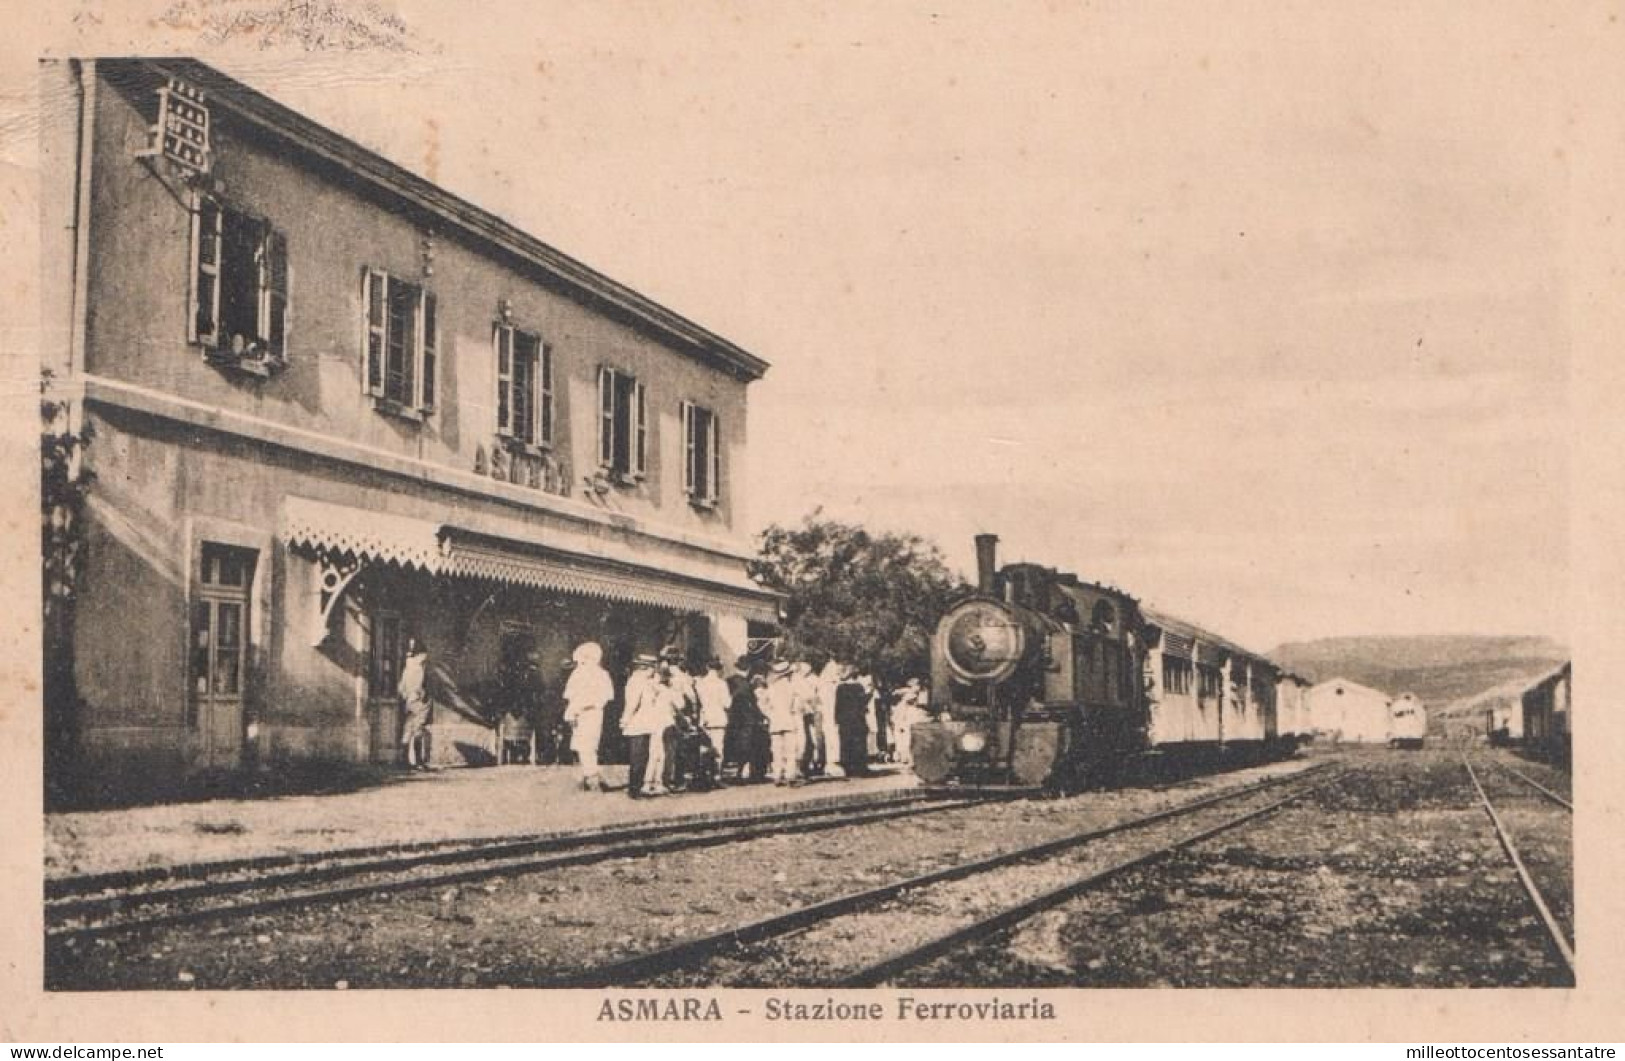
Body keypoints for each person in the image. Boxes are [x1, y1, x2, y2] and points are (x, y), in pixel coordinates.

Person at [562, 642, 614, 792]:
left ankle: (591, 776)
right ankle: (590, 775)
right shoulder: (581, 673)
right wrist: (573, 712)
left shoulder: (598, 674)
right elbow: (571, 696)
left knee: (588, 745)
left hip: (592, 713)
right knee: (585, 746)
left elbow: (605, 696)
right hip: (584, 713)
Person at [619, 654, 661, 798]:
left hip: (646, 724)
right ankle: (634, 790)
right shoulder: (636, 682)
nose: (655, 670)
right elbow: (632, 704)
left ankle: (637, 787)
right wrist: (625, 720)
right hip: (637, 724)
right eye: (653, 668)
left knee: (643, 757)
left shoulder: (646, 681)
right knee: (638, 757)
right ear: (647, 668)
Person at [762, 661, 802, 786]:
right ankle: (790, 775)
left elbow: (762, 703)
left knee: (776, 750)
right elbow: (797, 705)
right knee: (790, 750)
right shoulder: (792, 687)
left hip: (775, 722)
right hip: (789, 721)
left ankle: (777, 775)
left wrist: (769, 714)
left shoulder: (771, 688)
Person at [696, 658, 732, 780]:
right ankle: (716, 775)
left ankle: (704, 773)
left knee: (704, 747)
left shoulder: (700, 683)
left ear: (707, 668)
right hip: (718, 718)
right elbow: (727, 703)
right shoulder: (721, 684)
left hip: (705, 718)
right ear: (719, 669)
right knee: (718, 747)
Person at [398, 638, 432, 771]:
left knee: (407, 730)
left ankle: (404, 761)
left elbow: (401, 686)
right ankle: (418, 762)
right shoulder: (419, 667)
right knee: (418, 730)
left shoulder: (407, 666)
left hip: (408, 701)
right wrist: (420, 694)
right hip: (418, 701)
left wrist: (406, 696)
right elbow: (420, 685)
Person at [833, 665, 872, 778]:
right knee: (859, 743)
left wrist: (837, 719)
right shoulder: (858, 687)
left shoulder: (840, 688)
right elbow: (862, 703)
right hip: (857, 719)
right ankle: (861, 768)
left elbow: (838, 705)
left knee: (846, 743)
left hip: (845, 720)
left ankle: (848, 768)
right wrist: (869, 694)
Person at [794, 661, 825, 778]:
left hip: (809, 713)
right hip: (804, 714)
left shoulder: (810, 680)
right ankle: (804, 766)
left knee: (811, 740)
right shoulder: (799, 680)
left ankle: (810, 764)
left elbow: (813, 697)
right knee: (807, 740)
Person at [892, 677, 925, 766]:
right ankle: (904, 757)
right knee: (905, 737)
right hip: (905, 716)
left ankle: (906, 757)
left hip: (908, 715)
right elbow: (897, 694)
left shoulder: (912, 694)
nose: (918, 687)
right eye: (917, 685)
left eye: (919, 685)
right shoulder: (910, 694)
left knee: (907, 737)